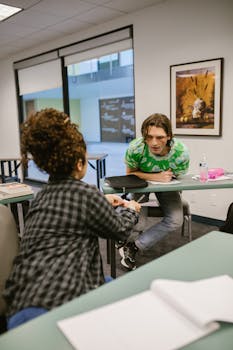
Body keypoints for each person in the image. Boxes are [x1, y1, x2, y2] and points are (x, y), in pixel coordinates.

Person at [3, 108, 141, 330]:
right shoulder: (86, 193)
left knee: (108, 283)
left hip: (20, 304)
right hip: (58, 305)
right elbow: (120, 230)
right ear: (79, 163)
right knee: (127, 300)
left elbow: (68, 211)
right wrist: (132, 209)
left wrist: (103, 202)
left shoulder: (42, 197)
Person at [119, 113, 190, 270]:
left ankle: (134, 246)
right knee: (139, 223)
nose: (154, 143)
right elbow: (129, 173)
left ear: (169, 136)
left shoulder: (180, 152)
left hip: (166, 184)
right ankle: (123, 240)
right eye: (149, 137)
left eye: (160, 137)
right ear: (144, 136)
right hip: (139, 183)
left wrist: (161, 179)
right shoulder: (136, 148)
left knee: (176, 219)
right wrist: (155, 176)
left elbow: (177, 175)